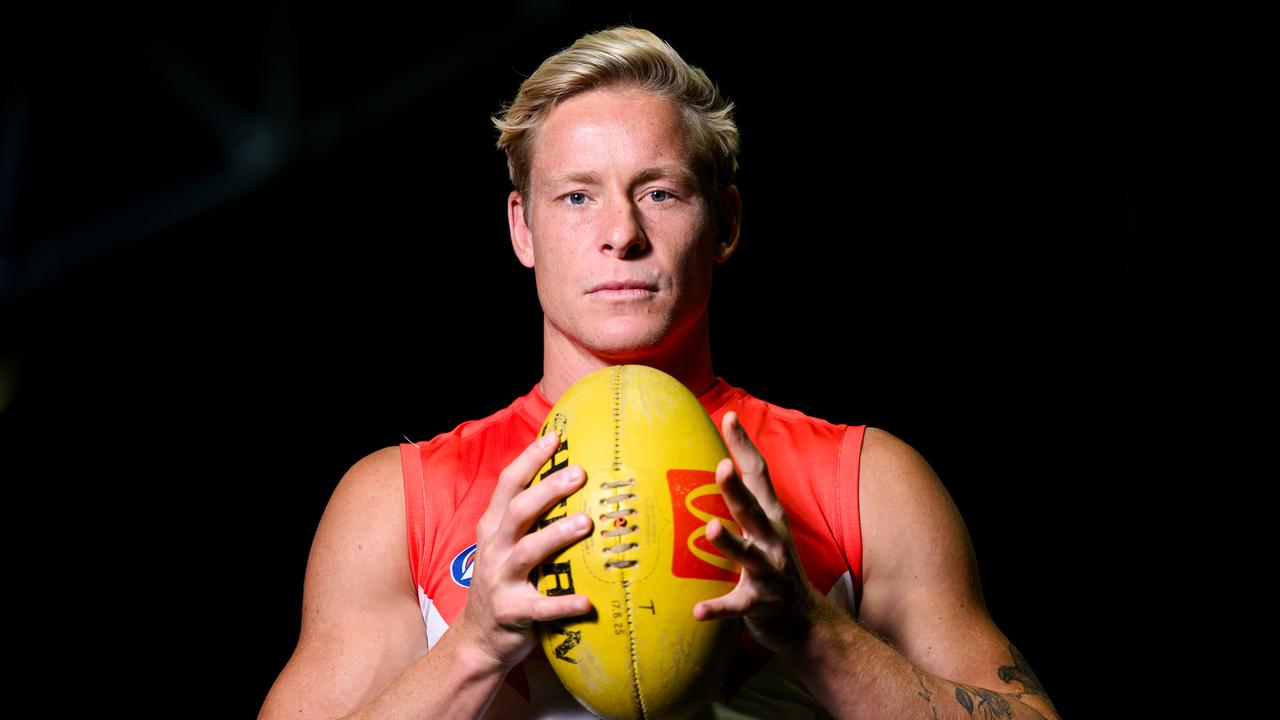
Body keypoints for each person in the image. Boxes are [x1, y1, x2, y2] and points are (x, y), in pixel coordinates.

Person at [258, 25, 1060, 720]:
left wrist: (815, 633)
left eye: (660, 192)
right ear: (522, 229)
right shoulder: (400, 503)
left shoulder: (865, 484)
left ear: (726, 222)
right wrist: (472, 648)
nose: (622, 233)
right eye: (577, 197)